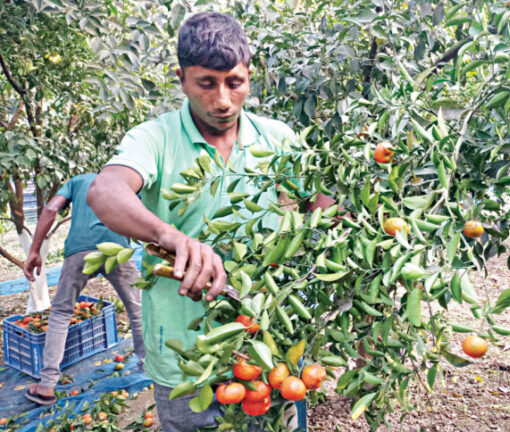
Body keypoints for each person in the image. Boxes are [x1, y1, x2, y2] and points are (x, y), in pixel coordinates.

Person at [87, 12, 327, 431]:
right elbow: (105, 191)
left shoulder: (279, 140)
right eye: (205, 83)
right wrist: (171, 236)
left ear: (249, 75)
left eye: (234, 83)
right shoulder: (155, 138)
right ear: (180, 79)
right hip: (186, 355)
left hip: (268, 350)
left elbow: (318, 203)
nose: (222, 100)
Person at [23, 173, 144, 405]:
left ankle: (47, 385)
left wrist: (34, 251)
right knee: (137, 310)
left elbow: (50, 209)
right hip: (116, 250)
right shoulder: (125, 180)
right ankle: (149, 368)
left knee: (60, 313)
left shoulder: (77, 181)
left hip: (78, 251)